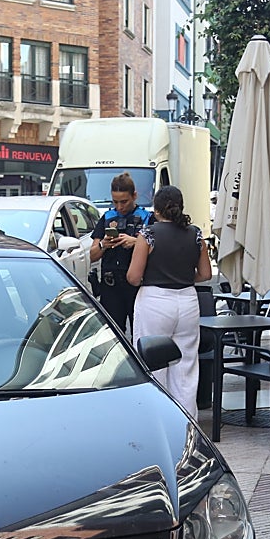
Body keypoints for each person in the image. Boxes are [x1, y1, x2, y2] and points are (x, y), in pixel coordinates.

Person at [126, 185, 211, 419]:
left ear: (156, 209)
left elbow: (133, 277)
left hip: (154, 300)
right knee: (186, 367)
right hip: (187, 301)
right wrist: (183, 278)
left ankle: (158, 421)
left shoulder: (147, 235)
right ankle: (187, 424)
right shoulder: (195, 234)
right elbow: (205, 275)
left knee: (153, 365)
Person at [89, 172, 152, 335]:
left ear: (134, 196)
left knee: (140, 334)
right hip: (111, 286)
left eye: (124, 201)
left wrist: (136, 243)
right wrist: (104, 244)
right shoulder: (108, 217)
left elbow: (159, 251)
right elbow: (92, 255)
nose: (119, 207)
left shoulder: (146, 218)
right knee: (113, 335)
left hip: (137, 286)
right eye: (115, 202)